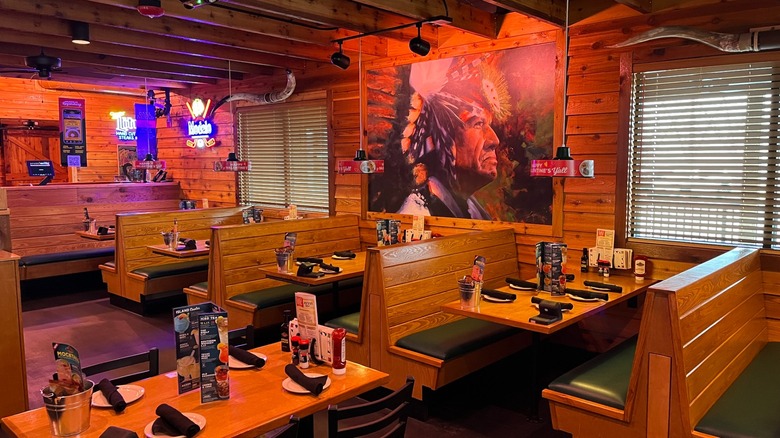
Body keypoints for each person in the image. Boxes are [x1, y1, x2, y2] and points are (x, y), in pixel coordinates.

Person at [396, 56, 508, 220]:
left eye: (489, 125)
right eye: (477, 124)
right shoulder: (416, 214)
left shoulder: (474, 210)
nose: (494, 140)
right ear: (440, 138)